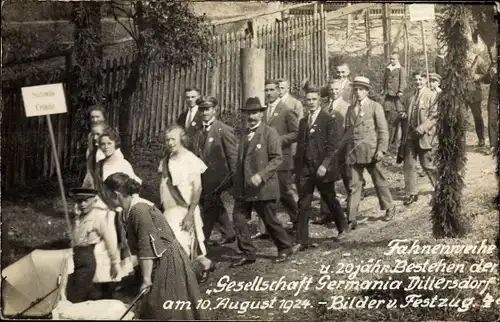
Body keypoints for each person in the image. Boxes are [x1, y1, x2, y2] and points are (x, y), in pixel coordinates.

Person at [103, 173, 203, 320]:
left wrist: (146, 279)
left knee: (166, 308)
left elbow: (147, 248)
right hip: (157, 259)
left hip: (167, 260)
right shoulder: (128, 210)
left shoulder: (139, 210)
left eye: (106, 194)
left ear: (115, 194)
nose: (104, 198)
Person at [231, 97, 294, 267]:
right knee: (239, 219)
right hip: (245, 187)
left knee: (269, 219)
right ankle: (248, 253)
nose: (251, 116)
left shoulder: (269, 132)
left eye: (255, 113)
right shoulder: (244, 134)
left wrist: (261, 175)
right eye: (249, 113)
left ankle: (285, 248)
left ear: (261, 114)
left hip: (263, 187)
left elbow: (277, 158)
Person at [83, 127, 141, 289]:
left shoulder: (123, 164)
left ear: (116, 144)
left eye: (109, 143)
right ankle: (107, 280)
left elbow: (133, 188)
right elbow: (88, 185)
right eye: (102, 144)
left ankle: (130, 277)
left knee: (125, 245)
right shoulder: (97, 166)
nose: (106, 146)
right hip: (103, 210)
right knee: (105, 245)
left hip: (120, 210)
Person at [337, 76, 396, 230]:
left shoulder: (375, 106)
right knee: (354, 186)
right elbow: (348, 131)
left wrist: (381, 150)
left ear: (367, 91)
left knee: (379, 181)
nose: (358, 92)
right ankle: (351, 218)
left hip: (371, 152)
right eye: (355, 89)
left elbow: (383, 130)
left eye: (361, 89)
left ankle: (389, 207)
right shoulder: (351, 109)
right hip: (354, 153)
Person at [293, 86, 348, 252]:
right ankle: (302, 240)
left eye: (314, 99)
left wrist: (325, 165)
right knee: (303, 203)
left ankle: (342, 227)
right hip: (305, 169)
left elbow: (332, 147)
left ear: (320, 100)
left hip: (321, 168)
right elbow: (301, 147)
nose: (311, 103)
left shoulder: (328, 119)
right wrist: (296, 170)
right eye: (308, 99)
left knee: (329, 198)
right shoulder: (303, 122)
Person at [158, 125, 216, 282]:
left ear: (181, 139)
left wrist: (190, 214)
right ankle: (198, 267)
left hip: (186, 209)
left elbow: (198, 189)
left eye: (173, 139)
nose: (170, 143)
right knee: (174, 243)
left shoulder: (191, 160)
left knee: (188, 244)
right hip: (169, 210)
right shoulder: (166, 161)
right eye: (167, 140)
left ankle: (199, 269)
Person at [253, 79, 299, 239]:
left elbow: (296, 133)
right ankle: (267, 228)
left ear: (279, 91)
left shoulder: (286, 110)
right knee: (267, 194)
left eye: (272, 89)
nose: (269, 93)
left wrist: (277, 140)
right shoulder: (263, 111)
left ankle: (298, 221)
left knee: (285, 193)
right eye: (266, 90)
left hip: (282, 160)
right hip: (266, 161)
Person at [191, 96, 237, 248]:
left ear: (214, 110)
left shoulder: (223, 130)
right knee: (213, 204)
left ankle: (202, 239)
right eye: (202, 109)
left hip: (219, 178)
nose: (204, 112)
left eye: (208, 109)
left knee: (210, 206)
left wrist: (235, 178)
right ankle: (229, 233)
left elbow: (232, 156)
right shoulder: (198, 132)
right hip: (203, 178)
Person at [66, 188, 120, 303]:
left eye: (86, 200)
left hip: (89, 255)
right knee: (81, 289)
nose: (82, 204)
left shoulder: (99, 216)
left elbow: (110, 239)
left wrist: (114, 262)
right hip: (77, 256)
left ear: (94, 201)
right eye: (79, 201)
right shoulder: (78, 217)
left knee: (79, 293)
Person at [399, 71, 438, 206]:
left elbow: (434, 117)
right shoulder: (409, 96)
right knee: (409, 165)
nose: (418, 82)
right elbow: (405, 111)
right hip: (410, 136)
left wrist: (421, 128)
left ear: (426, 80)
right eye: (416, 80)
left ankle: (439, 188)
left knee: (427, 164)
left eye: (421, 80)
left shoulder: (431, 96)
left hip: (424, 135)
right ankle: (412, 193)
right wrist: (404, 114)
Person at [382, 52, 407, 147]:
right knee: (387, 113)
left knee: (399, 114)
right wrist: (383, 89)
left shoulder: (401, 69)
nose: (392, 61)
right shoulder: (388, 68)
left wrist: (400, 90)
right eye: (391, 59)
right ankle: (387, 140)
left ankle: (397, 140)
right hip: (388, 94)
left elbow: (403, 81)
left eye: (394, 59)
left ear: (398, 59)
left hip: (396, 94)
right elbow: (384, 80)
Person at [466, 46, 488, 147]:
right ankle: (460, 140)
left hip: (474, 91)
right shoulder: (458, 58)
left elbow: (487, 76)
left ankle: (481, 138)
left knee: (477, 116)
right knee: (460, 116)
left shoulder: (478, 59)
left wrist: (476, 77)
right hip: (461, 92)